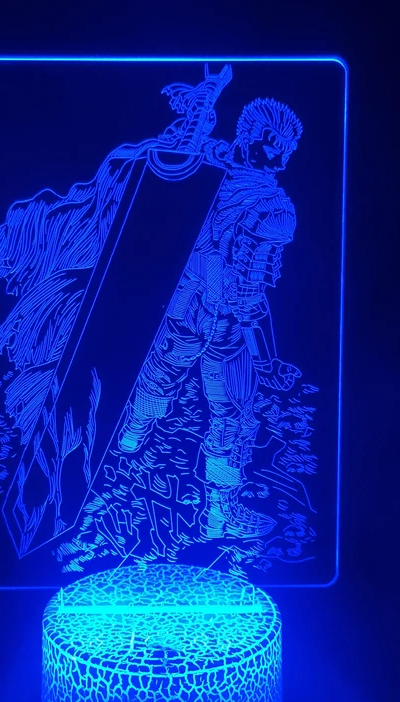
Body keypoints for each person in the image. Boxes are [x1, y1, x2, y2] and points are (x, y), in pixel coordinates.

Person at [117, 97, 303, 540]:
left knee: (166, 375)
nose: (281, 159)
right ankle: (219, 515)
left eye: (287, 150)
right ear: (253, 136)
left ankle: (130, 438)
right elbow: (249, 292)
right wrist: (264, 358)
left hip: (185, 304)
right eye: (275, 145)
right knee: (231, 413)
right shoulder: (272, 207)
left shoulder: (205, 161)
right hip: (223, 322)